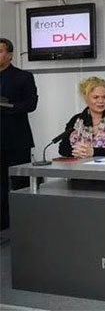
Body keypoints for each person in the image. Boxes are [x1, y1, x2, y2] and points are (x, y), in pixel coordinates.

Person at [0, 38, 38, 231]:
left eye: (0, 51)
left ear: (10, 55)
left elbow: (31, 104)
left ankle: (25, 224)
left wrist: (9, 107)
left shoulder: (23, 77)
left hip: (17, 138)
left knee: (21, 181)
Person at [59, 76, 105, 158]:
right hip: (79, 164)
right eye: (96, 97)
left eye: (104, 97)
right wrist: (79, 151)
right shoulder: (76, 120)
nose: (101, 101)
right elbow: (62, 149)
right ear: (86, 98)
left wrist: (94, 152)